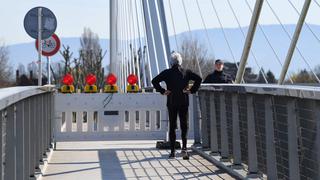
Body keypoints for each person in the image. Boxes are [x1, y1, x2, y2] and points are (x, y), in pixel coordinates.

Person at [152, 52, 202, 159]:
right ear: (180, 62)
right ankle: (184, 148)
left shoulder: (167, 72)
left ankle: (172, 152)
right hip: (183, 101)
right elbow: (199, 79)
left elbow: (154, 81)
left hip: (172, 101)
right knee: (184, 125)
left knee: (172, 126)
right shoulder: (186, 72)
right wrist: (192, 90)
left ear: (171, 62)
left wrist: (162, 91)